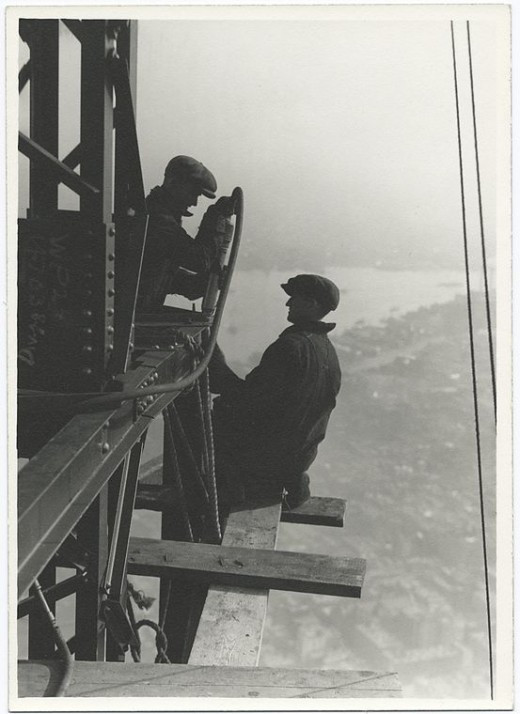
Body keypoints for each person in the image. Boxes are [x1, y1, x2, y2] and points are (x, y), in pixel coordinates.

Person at [210, 274, 342, 509]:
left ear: (311, 304)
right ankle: (290, 478)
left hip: (269, 459)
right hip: (298, 457)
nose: (287, 304)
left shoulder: (291, 347)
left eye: (294, 298)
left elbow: (245, 400)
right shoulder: (327, 350)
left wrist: (213, 359)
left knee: (217, 412)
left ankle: (223, 490)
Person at [137, 155, 234, 310]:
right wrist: (215, 217)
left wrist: (206, 282)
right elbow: (200, 260)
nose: (194, 203)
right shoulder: (157, 221)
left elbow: (165, 278)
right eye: (193, 193)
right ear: (173, 183)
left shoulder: (154, 214)